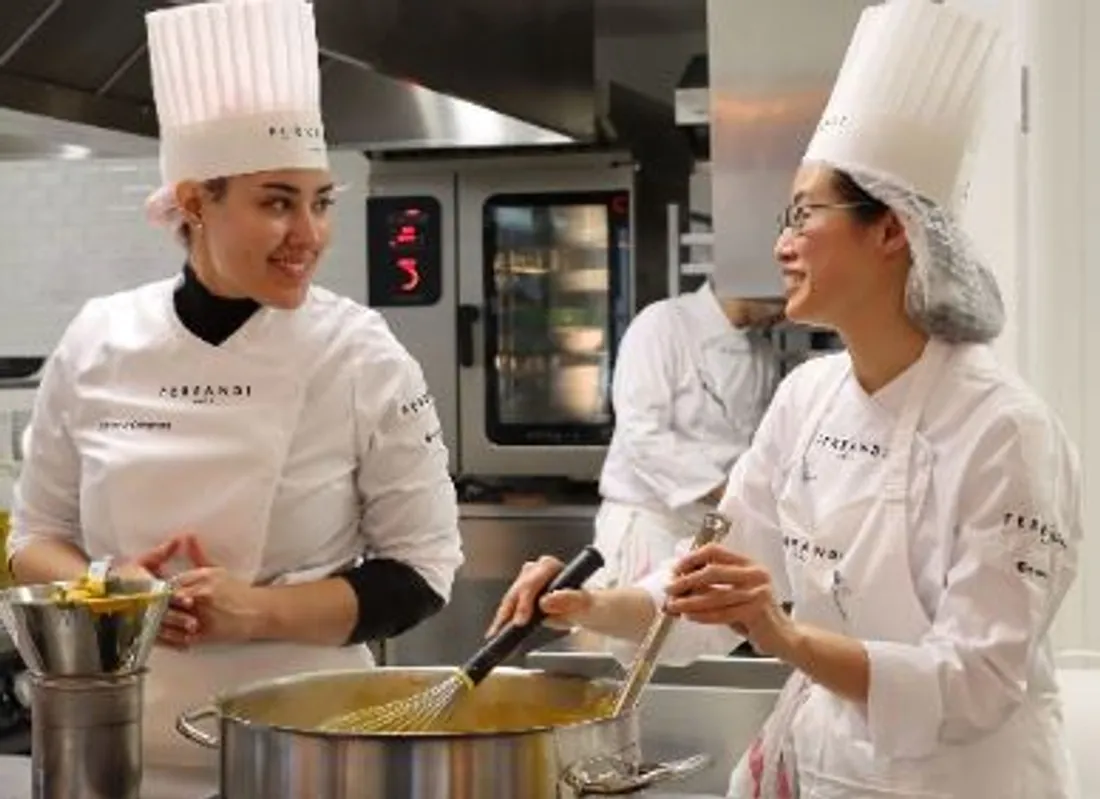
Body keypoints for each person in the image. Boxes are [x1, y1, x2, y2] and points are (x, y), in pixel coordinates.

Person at [488, 2, 1082, 796]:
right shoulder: (808, 398)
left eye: (805, 214)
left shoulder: (1004, 429)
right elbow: (704, 592)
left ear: (891, 229)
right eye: (783, 218)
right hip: (831, 774)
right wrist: (584, 604)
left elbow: (975, 679)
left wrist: (784, 633)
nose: (781, 243)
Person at [6, 0, 462, 794]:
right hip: (120, 748)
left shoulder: (360, 353)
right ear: (194, 204)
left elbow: (420, 570)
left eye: (320, 201)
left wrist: (253, 610)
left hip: (309, 744)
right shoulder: (99, 338)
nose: (309, 234)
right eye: (277, 201)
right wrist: (116, 596)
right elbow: (36, 540)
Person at [591, 281, 782, 589]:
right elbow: (642, 435)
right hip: (651, 526)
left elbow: (757, 445)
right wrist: (727, 492)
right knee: (633, 632)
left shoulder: (760, 352)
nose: (787, 314)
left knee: (698, 634)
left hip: (711, 531)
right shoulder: (662, 324)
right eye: (785, 301)